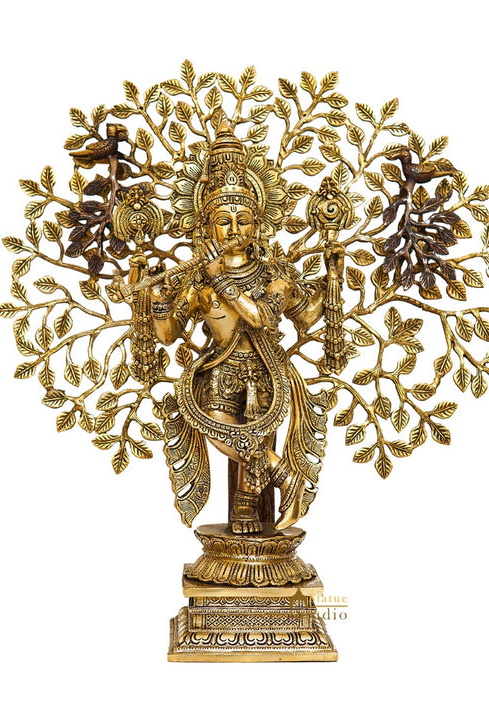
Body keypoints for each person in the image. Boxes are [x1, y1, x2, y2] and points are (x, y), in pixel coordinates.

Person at [149, 123, 343, 534]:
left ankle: (248, 508)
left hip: (265, 373)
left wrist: (332, 280)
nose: (234, 229)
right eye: (224, 220)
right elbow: (167, 334)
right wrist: (157, 299)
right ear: (207, 227)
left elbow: (277, 317)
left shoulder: (272, 274)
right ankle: (286, 475)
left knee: (251, 438)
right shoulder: (198, 281)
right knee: (217, 426)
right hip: (218, 374)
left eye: (243, 220)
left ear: (257, 225)